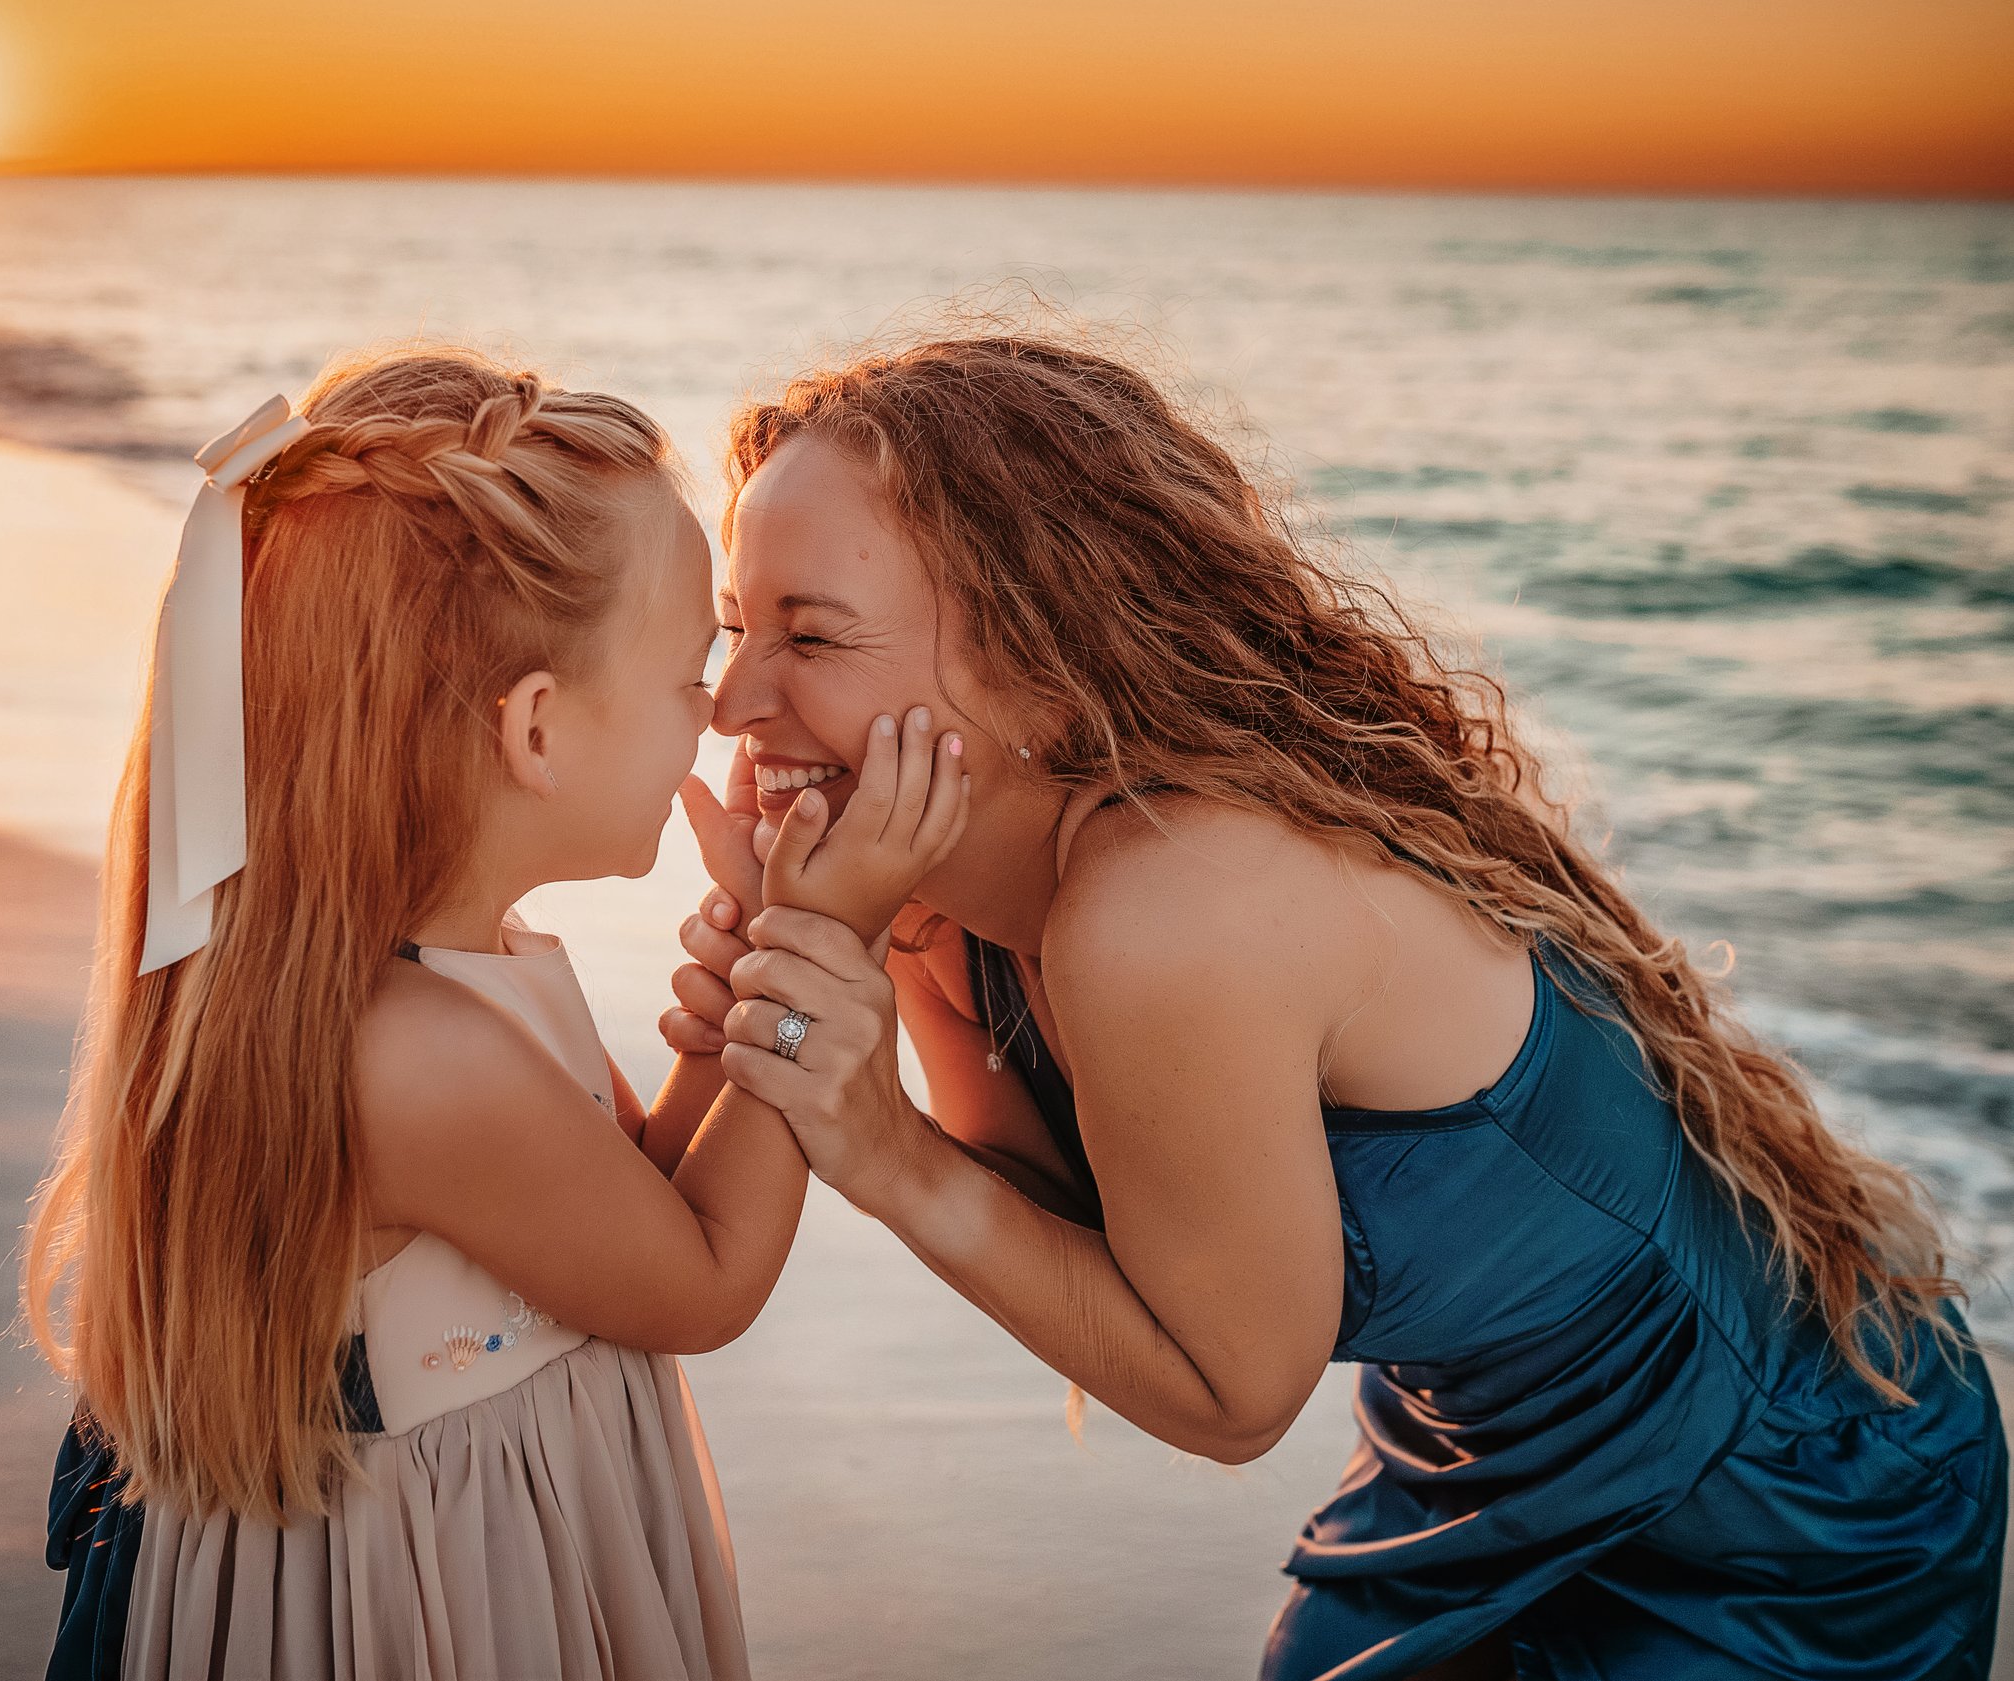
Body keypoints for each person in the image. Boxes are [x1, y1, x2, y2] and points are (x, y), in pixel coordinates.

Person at [665, 333, 2006, 1679]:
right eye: (737, 625)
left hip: (1774, 1490)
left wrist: (880, 1142)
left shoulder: (1173, 899)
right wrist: (821, 937)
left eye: (812, 636)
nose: (729, 703)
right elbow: (1062, 1222)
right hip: (1473, 1451)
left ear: (1042, 663)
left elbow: (1226, 1388)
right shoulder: (938, 884)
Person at [22, 348, 965, 1681]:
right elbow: (697, 1279)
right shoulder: (419, 1054)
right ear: (535, 730)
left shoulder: (462, 969)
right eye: (691, 673)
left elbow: (632, 1206)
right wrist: (829, 937)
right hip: (432, 1590)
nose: (717, 719)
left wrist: (745, 982)